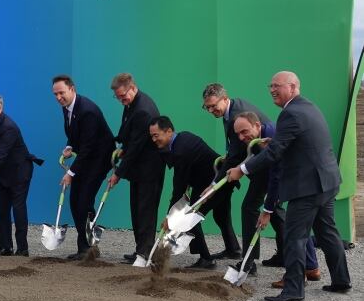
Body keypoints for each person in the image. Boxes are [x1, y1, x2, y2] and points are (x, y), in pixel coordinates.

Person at [228, 71, 351, 301]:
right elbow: (300, 141)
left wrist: (241, 170)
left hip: (307, 186)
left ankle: (294, 289)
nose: (272, 90)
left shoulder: (290, 114)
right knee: (328, 233)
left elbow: (274, 155)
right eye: (270, 86)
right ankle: (341, 280)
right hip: (327, 181)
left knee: (294, 236)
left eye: (277, 86)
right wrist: (273, 141)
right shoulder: (308, 107)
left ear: (293, 87)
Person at [231, 111, 321, 286]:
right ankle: (311, 266)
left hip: (296, 179)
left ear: (257, 125)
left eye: (244, 131)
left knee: (293, 223)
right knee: (290, 221)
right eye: (238, 134)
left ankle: (299, 273)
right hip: (289, 177)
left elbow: (276, 176)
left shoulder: (273, 135)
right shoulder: (260, 137)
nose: (241, 137)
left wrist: (267, 209)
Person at [201, 83, 273, 260]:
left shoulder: (235, 116)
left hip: (264, 164)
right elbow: (236, 148)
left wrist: (213, 185)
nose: (210, 110)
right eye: (207, 107)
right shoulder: (233, 107)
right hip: (256, 162)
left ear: (225, 99)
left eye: (213, 105)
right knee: (273, 210)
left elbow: (236, 155)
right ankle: (278, 255)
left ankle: (249, 262)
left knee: (254, 208)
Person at [51, 75, 115, 260]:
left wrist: (70, 173)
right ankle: (85, 247)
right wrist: (70, 146)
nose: (58, 97)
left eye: (61, 93)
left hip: (99, 160)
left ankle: (90, 248)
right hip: (87, 158)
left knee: (84, 202)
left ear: (72, 89)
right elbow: (75, 134)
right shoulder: (67, 107)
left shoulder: (87, 111)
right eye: (55, 94)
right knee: (74, 201)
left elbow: (88, 147)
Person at [149, 116, 226, 268]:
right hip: (208, 179)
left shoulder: (180, 151)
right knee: (222, 215)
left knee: (190, 217)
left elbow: (178, 187)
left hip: (215, 182)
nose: (153, 139)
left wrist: (169, 216)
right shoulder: (181, 137)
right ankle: (233, 249)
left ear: (169, 131)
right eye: (151, 136)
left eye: (156, 135)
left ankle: (207, 259)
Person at [0, 94, 42, 256]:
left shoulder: (8, 127)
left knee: (18, 208)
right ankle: (5, 247)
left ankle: (22, 249)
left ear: (0, 108)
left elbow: (2, 156)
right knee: (2, 209)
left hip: (20, 170)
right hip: (5, 170)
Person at [107, 73, 164, 263]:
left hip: (149, 168)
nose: (121, 100)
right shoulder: (132, 103)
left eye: (123, 95)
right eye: (117, 97)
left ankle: (145, 252)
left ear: (132, 87)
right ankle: (141, 248)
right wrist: (122, 149)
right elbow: (130, 137)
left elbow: (137, 146)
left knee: (145, 210)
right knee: (136, 209)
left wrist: (118, 174)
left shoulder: (143, 110)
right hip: (139, 168)